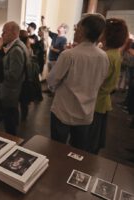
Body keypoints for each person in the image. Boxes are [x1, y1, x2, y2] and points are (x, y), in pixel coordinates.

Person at [47, 13, 109, 151]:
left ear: (83, 30)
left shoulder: (69, 55)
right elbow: (101, 80)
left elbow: (51, 80)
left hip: (63, 111)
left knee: (57, 150)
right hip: (86, 113)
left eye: (77, 27)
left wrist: (57, 86)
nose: (75, 30)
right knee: (78, 153)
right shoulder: (103, 57)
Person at [87, 18, 129, 154]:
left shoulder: (106, 56)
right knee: (94, 141)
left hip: (96, 103)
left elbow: (96, 81)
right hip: (103, 102)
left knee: (89, 143)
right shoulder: (115, 53)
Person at [0, 21, 28, 135]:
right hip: (13, 92)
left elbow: (14, 75)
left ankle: (11, 144)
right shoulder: (19, 45)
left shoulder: (16, 49)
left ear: (13, 33)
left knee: (10, 125)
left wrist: (0, 70)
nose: (2, 35)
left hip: (10, 92)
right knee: (11, 120)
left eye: (4, 32)